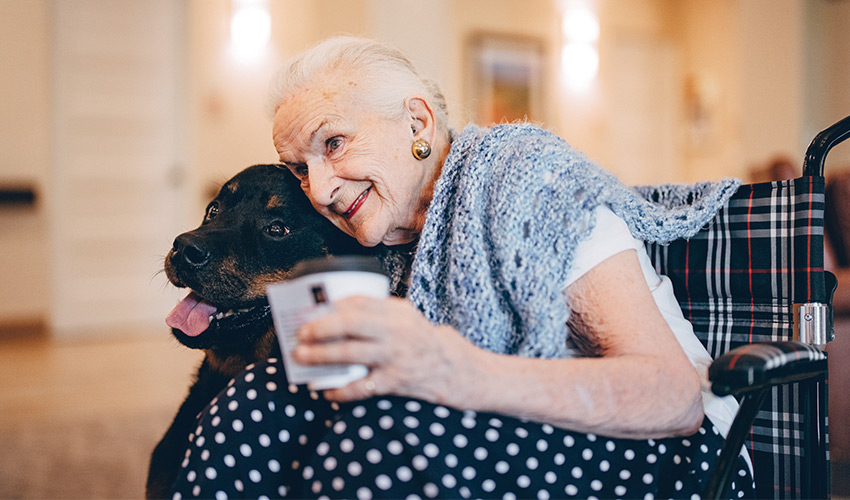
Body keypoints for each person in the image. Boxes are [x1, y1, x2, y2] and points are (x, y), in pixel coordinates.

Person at [168, 36, 754, 499]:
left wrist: (456, 371)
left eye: (335, 144)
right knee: (255, 401)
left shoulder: (530, 187)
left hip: (678, 460)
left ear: (418, 124)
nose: (318, 189)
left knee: (377, 433)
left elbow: (674, 397)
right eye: (299, 168)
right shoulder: (386, 243)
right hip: (510, 433)